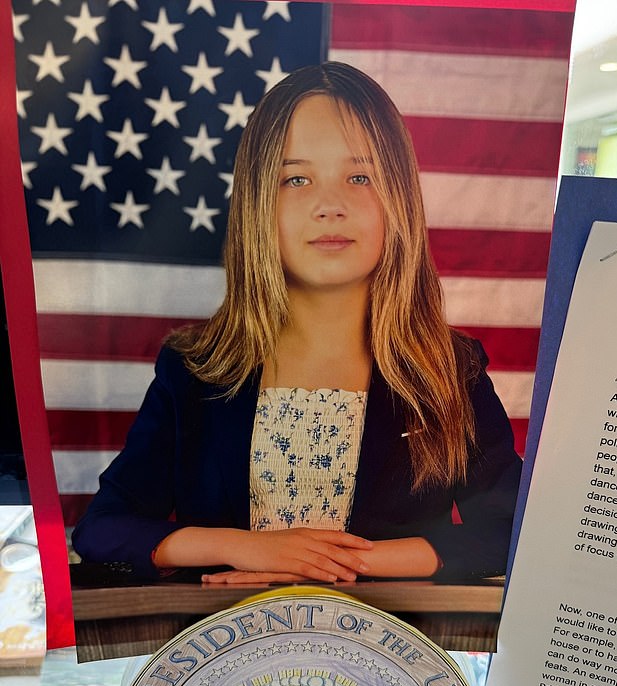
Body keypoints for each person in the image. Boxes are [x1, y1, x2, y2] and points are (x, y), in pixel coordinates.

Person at [72, 62, 522, 585]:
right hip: (227, 662)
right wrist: (246, 549)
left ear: (398, 197)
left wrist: (336, 563)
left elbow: (509, 531)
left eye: (360, 177)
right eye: (296, 179)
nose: (330, 205)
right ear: (259, 203)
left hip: (385, 661)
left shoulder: (448, 370)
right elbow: (101, 532)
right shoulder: (196, 370)